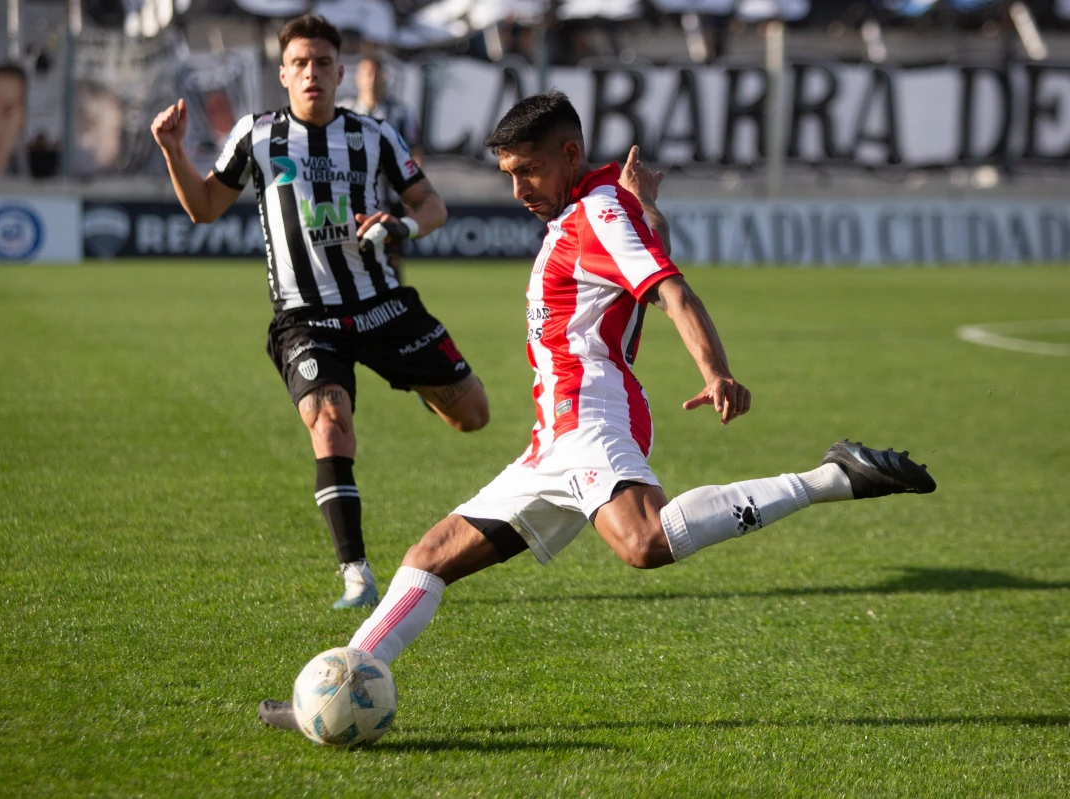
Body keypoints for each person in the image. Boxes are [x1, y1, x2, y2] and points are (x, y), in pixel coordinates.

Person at [257, 91, 936, 730]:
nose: (518, 190)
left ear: (569, 155)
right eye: (508, 174)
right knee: (429, 556)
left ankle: (833, 476)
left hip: (589, 413)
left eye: (528, 171)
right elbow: (647, 257)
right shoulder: (598, 209)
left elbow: (669, 288)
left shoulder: (597, 212)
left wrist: (717, 371)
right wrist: (650, 212)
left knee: (643, 542)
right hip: (552, 438)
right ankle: (332, 689)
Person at [150, 15, 490, 610]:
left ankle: (411, 377)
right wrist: (174, 151)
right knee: (330, 421)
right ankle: (356, 573)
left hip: (381, 304)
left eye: (323, 63)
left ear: (339, 72)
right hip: (306, 316)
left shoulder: (374, 135)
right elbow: (204, 208)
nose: (312, 73)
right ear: (282, 74)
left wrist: (402, 224)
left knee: (474, 416)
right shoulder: (256, 137)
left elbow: (431, 205)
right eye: (300, 63)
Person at [341, 55, 422, 280]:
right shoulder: (344, 110)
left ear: (385, 78)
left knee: (392, 257)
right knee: (353, 256)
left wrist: (412, 191)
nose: (372, 79)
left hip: (391, 198)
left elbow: (415, 153)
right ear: (357, 78)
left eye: (377, 73)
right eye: (367, 73)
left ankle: (395, 304)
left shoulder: (400, 112)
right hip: (352, 198)